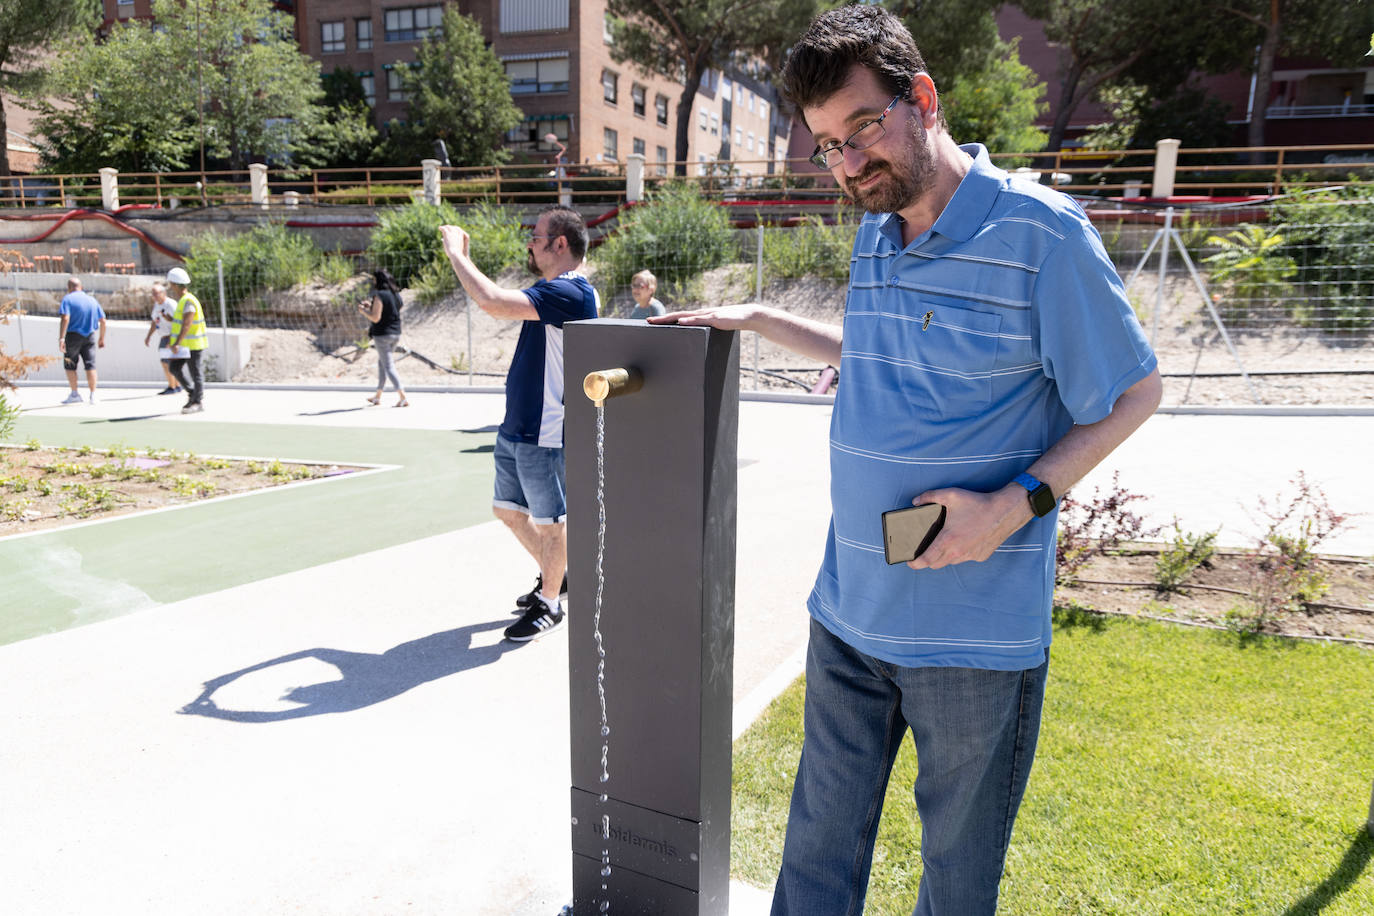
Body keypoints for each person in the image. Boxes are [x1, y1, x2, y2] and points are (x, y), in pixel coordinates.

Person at [651, 6, 1163, 914]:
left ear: (921, 97)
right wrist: (760, 319)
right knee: (813, 863)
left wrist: (1014, 506)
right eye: (826, 148)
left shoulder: (1042, 236)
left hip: (971, 640)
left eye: (862, 131)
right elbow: (889, 348)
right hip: (850, 611)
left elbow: (1134, 394)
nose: (848, 165)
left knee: (954, 884)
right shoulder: (877, 230)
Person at [439, 205, 600, 641]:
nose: (530, 243)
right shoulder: (552, 290)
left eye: (536, 236)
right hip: (518, 426)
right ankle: (558, 576)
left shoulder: (573, 293)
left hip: (545, 431)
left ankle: (550, 604)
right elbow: (498, 299)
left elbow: (492, 302)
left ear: (560, 243)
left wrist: (457, 253)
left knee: (551, 522)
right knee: (508, 511)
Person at [358, 268, 408, 407]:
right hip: (396, 333)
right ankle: (377, 396)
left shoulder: (379, 295)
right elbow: (390, 309)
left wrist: (364, 311)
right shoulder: (395, 294)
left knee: (388, 365)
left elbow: (375, 317)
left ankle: (402, 396)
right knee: (382, 363)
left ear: (378, 280)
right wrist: (371, 306)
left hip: (382, 335)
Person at [164, 266, 207, 414]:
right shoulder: (183, 301)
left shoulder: (188, 301)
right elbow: (180, 323)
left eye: (171, 284)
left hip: (193, 344)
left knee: (196, 372)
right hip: (185, 345)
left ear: (175, 284)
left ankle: (197, 401)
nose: (170, 287)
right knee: (174, 368)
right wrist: (170, 319)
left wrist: (176, 343)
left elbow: (187, 324)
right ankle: (192, 393)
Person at [57, 277, 106, 405]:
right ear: (81, 287)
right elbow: (103, 320)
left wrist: (61, 338)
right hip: (89, 335)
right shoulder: (92, 300)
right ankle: (93, 395)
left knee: (70, 365)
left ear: (69, 288)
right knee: (90, 365)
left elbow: (65, 318)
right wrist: (102, 337)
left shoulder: (67, 299)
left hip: (72, 336)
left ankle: (74, 394)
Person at [143, 283, 184, 396]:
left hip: (171, 336)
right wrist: (148, 336)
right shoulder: (157, 305)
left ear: (163, 293)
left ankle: (173, 386)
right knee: (167, 362)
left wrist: (173, 339)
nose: (154, 296)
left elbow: (178, 320)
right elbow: (154, 321)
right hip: (164, 336)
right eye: (153, 294)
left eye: (156, 293)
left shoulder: (170, 304)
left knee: (167, 362)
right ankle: (176, 385)